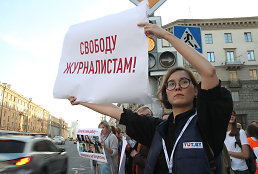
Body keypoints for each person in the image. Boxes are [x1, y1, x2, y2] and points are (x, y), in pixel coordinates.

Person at [68, 21, 233, 173]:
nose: (177, 87)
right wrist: (81, 99)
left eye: (184, 82)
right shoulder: (158, 129)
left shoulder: (207, 122)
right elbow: (115, 111)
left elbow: (209, 72)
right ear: (165, 92)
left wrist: (165, 35)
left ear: (196, 90)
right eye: (171, 84)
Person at [130, 106, 153, 174]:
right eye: (141, 117)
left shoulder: (155, 136)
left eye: (147, 116)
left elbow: (155, 163)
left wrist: (136, 156)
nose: (144, 119)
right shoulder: (139, 133)